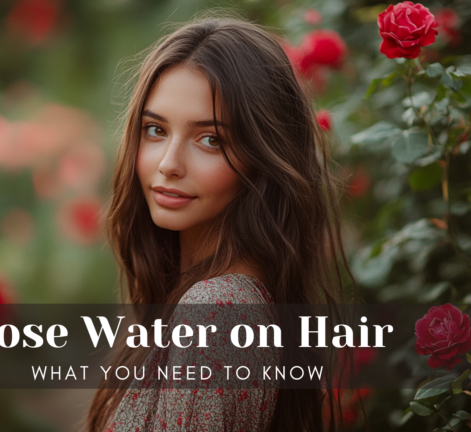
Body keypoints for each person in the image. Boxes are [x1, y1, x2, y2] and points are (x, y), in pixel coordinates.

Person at [86, 14, 352, 432]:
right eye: (155, 130)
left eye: (210, 139)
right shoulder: (207, 300)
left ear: (262, 158)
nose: (169, 164)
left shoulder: (217, 313)